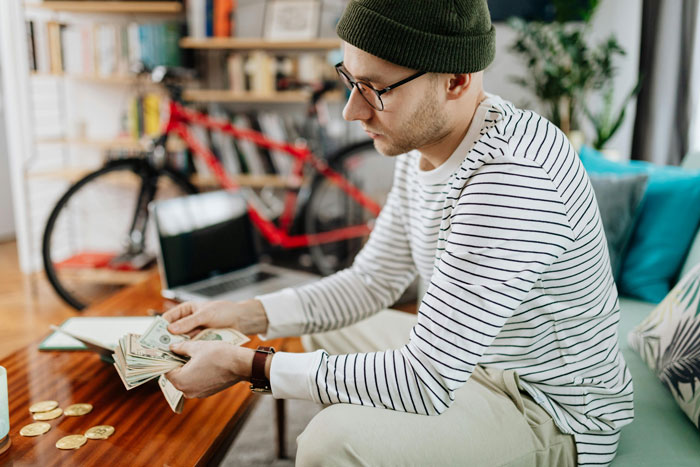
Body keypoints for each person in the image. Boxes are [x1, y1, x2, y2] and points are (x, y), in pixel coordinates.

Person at [164, 1, 634, 465]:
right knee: (325, 330)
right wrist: (245, 314)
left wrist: (247, 366)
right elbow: (373, 281)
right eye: (350, 80)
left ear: (456, 79)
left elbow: (425, 378)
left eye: (375, 88)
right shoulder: (425, 144)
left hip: (547, 411)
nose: (352, 111)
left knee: (330, 442)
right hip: (470, 362)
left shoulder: (511, 179)